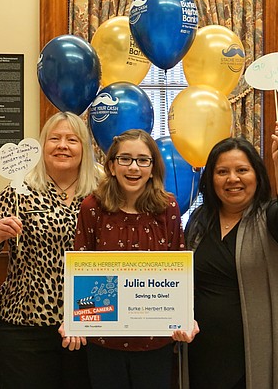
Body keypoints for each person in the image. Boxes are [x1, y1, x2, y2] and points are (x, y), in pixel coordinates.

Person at [0, 111, 100, 389]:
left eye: (72, 139)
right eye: (55, 138)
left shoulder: (102, 192)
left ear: (84, 148)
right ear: (43, 145)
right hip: (22, 327)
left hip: (86, 323)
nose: (62, 145)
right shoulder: (20, 190)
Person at [69, 129, 197, 389]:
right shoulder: (92, 208)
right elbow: (82, 268)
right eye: (125, 159)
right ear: (112, 166)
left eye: (143, 160)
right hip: (104, 339)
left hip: (155, 339)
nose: (134, 167)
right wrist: (75, 318)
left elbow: (177, 267)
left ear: (153, 167)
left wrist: (186, 315)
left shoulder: (168, 208)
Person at [184, 125, 278, 389]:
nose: (232, 179)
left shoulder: (273, 218)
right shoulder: (198, 221)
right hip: (202, 352)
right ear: (211, 179)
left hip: (258, 354)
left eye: (242, 170)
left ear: (257, 176)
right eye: (222, 172)